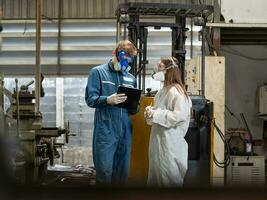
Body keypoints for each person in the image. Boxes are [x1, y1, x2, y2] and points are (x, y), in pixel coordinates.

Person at [85, 40, 138, 184]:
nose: (124, 64)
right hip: (106, 131)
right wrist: (107, 100)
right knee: (104, 173)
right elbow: (91, 99)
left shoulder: (131, 78)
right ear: (114, 53)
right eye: (122, 59)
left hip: (125, 131)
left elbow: (134, 109)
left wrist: (135, 105)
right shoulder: (98, 72)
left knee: (122, 174)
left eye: (129, 60)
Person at [144, 57, 192, 187]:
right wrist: (150, 113)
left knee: (169, 179)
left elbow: (179, 116)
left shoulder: (175, 91)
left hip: (170, 144)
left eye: (159, 67)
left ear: (169, 70)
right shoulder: (162, 91)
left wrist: (156, 114)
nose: (156, 70)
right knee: (156, 179)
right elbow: (157, 117)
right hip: (158, 143)